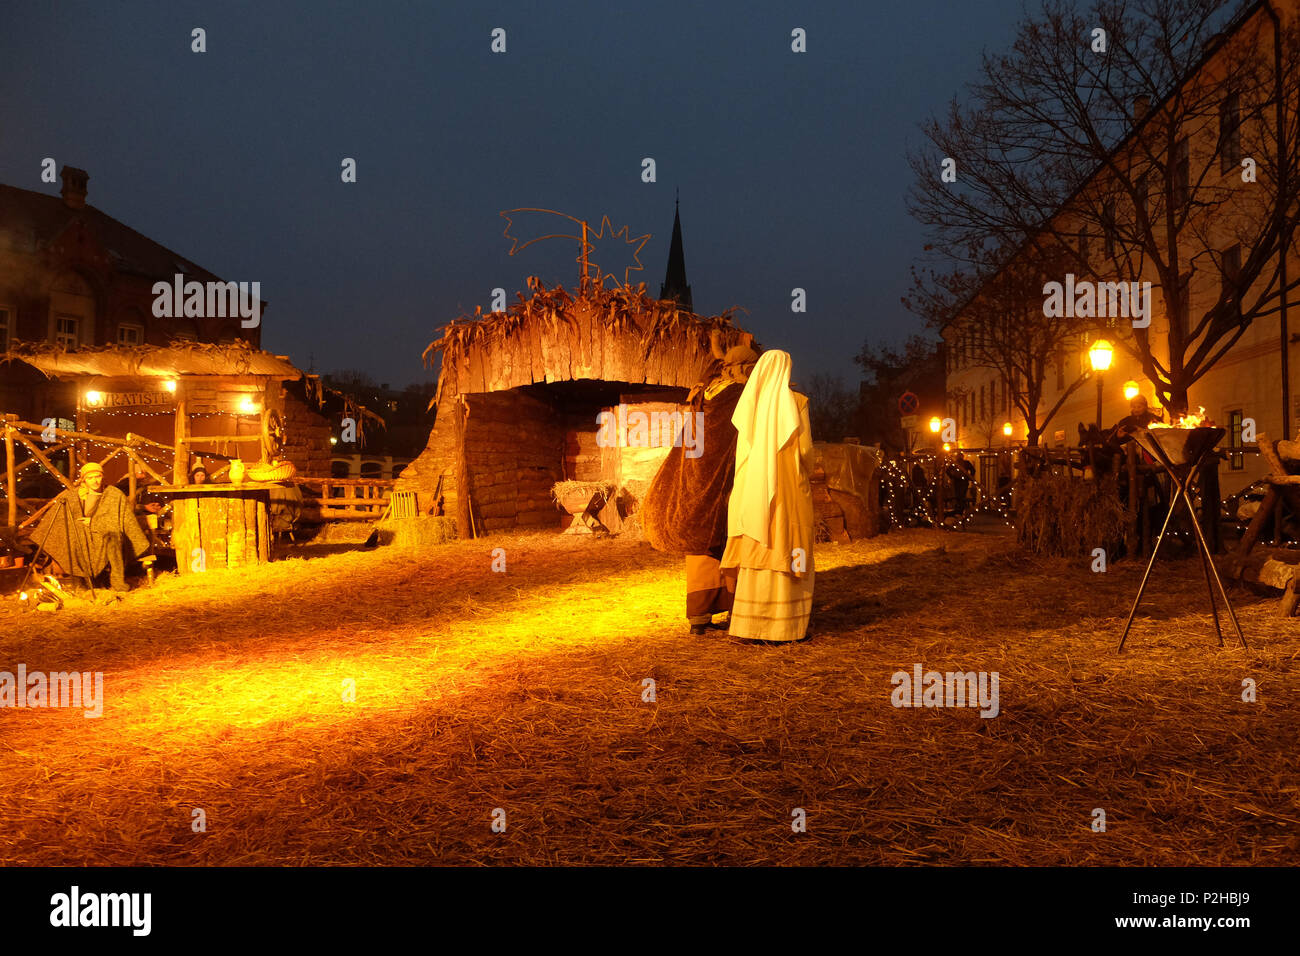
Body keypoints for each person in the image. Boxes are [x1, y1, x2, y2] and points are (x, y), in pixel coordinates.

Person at [643, 333, 758, 635]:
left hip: (695, 479)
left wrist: (720, 350)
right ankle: (737, 611)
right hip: (721, 481)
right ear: (745, 367)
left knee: (700, 544)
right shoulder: (737, 395)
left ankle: (699, 618)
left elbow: (716, 369)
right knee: (729, 542)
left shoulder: (704, 391)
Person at [720, 349, 815, 643]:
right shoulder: (797, 402)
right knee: (788, 544)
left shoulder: (750, 406)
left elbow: (743, 454)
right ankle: (785, 629)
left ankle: (750, 626)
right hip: (788, 491)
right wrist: (805, 473)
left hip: (754, 491)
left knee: (757, 547)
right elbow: (806, 451)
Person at [35, 461, 150, 593]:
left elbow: (119, 521)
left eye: (98, 476)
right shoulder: (74, 496)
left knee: (114, 537)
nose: (95, 481)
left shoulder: (114, 494)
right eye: (90, 478)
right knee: (72, 539)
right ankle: (81, 582)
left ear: (103, 477)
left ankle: (117, 581)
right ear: (84, 480)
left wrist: (93, 522)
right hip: (81, 535)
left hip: (104, 534)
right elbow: (61, 517)